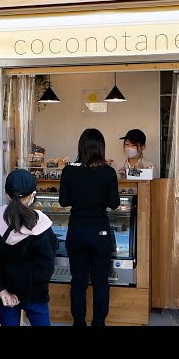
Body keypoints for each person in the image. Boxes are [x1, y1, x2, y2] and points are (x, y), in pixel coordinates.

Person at [0, 169, 57, 326]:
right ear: (33, 195)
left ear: (8, 195)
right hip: (35, 296)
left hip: (5, 295)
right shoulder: (41, 224)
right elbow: (46, 265)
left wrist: (0, 289)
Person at [59, 128, 120, 326]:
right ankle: (98, 323)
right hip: (100, 232)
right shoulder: (108, 173)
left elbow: (63, 201)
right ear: (101, 148)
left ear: (81, 147)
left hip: (76, 231)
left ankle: (79, 323)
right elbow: (114, 203)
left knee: (78, 281)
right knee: (101, 282)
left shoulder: (69, 171)